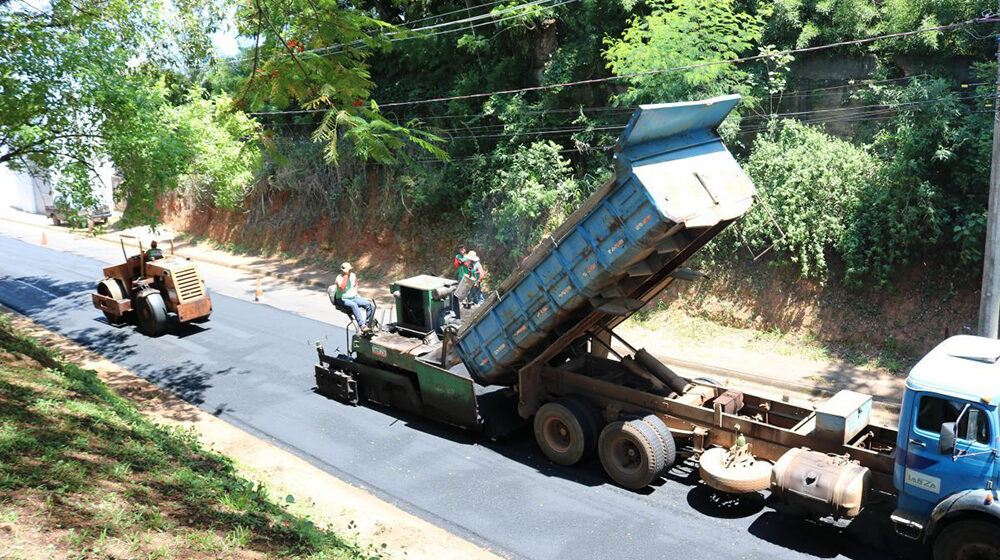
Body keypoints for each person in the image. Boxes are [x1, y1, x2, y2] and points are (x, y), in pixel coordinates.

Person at [331, 262, 375, 331]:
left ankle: (368, 324)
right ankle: (362, 326)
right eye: (348, 270)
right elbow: (342, 287)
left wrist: (356, 293)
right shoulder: (339, 278)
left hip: (353, 298)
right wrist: (346, 276)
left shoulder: (353, 275)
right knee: (354, 305)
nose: (349, 272)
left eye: (350, 270)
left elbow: (356, 284)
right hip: (342, 299)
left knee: (369, 304)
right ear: (343, 270)